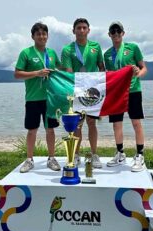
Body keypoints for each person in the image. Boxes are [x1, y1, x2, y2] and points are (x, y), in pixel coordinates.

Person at [14, 22, 61, 173]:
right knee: (32, 130)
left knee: (50, 130)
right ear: (33, 36)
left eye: (44, 33)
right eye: (38, 34)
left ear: (47, 36)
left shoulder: (52, 53)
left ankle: (51, 158)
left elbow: (61, 71)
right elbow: (17, 74)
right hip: (33, 98)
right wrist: (37, 73)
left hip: (50, 99)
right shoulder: (26, 53)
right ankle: (29, 160)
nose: (41, 36)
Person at [61, 18, 105, 168]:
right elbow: (67, 72)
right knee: (77, 125)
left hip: (93, 91)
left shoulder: (96, 47)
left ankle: (94, 154)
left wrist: (103, 88)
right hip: (76, 90)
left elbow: (101, 68)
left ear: (88, 30)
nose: (81, 30)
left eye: (84, 28)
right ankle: (77, 154)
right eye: (78, 28)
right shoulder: (68, 50)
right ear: (73, 31)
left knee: (92, 123)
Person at [104, 21, 147, 172]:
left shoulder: (133, 48)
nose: (116, 34)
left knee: (136, 123)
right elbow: (109, 76)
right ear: (109, 34)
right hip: (116, 93)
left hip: (133, 90)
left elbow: (144, 68)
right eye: (113, 31)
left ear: (123, 33)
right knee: (116, 124)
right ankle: (120, 153)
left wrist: (138, 74)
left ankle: (140, 155)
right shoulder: (107, 54)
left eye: (118, 31)